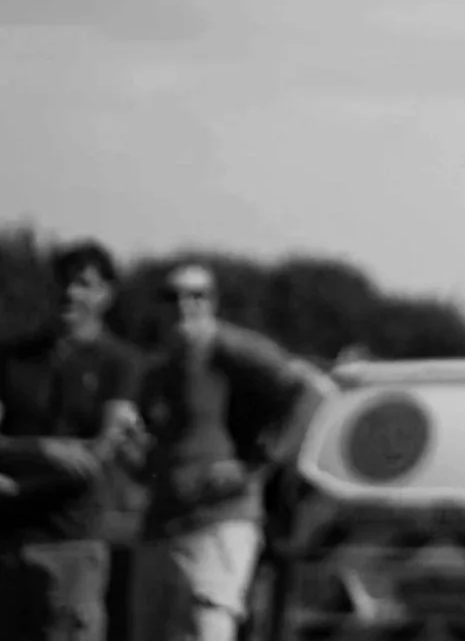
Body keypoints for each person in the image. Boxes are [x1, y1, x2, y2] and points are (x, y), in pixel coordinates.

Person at [131, 262, 328, 641]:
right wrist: (138, 459)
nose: (184, 305)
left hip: (220, 520)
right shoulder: (158, 369)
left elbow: (312, 392)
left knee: (208, 628)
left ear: (213, 302)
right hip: (161, 525)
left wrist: (258, 464)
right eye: (172, 296)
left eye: (197, 295)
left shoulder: (232, 349)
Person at [0, 240, 146, 641]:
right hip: (7, 541)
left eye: (84, 284)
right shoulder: (12, 357)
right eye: (63, 281)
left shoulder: (122, 362)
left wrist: (16, 486)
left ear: (106, 295)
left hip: (72, 544)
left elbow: (98, 454)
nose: (70, 292)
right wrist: (45, 449)